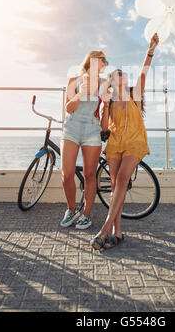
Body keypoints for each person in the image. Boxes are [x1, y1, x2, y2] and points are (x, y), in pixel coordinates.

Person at [90, 33, 159, 250]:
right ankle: (117, 233)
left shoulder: (134, 95)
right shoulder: (109, 101)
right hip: (115, 143)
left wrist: (150, 50)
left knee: (121, 179)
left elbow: (144, 71)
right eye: (118, 74)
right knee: (114, 186)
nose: (123, 76)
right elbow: (104, 128)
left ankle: (104, 229)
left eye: (123, 75)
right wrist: (106, 106)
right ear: (112, 81)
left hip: (135, 141)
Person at [60, 51, 108, 229]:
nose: (104, 64)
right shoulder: (74, 80)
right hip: (71, 128)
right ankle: (72, 210)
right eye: (102, 61)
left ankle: (86, 214)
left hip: (92, 130)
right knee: (67, 174)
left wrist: (108, 105)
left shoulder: (104, 84)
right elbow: (68, 108)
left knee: (89, 175)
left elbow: (106, 114)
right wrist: (80, 94)